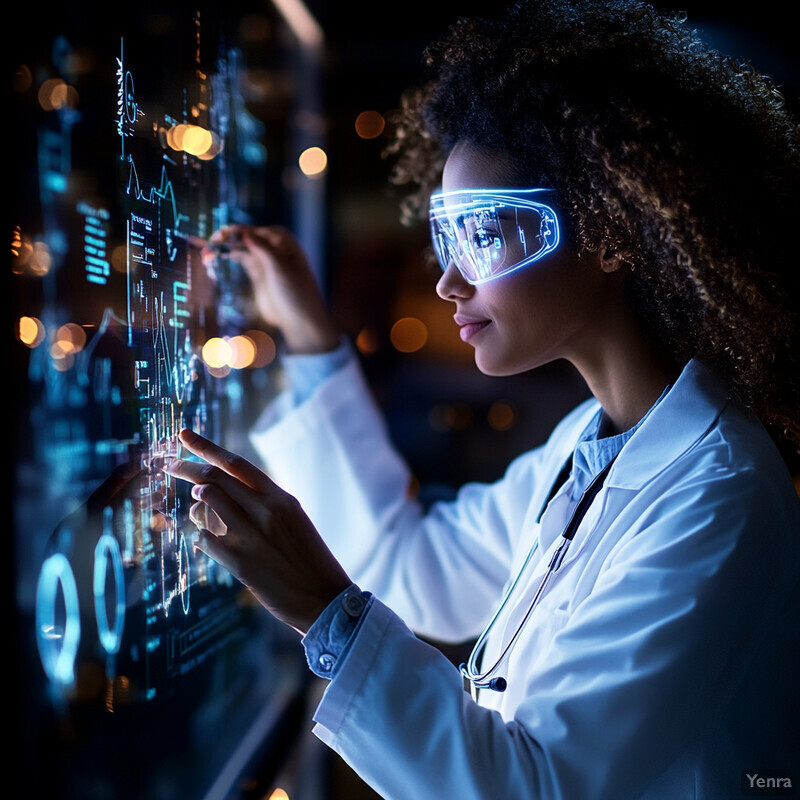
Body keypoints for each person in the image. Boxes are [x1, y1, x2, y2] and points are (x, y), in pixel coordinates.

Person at [164, 1, 800, 797]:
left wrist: (327, 615)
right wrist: (306, 331)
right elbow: (416, 568)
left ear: (610, 233)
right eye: (447, 237)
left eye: (487, 234)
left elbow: (535, 787)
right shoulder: (591, 446)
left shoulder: (718, 496)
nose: (448, 281)